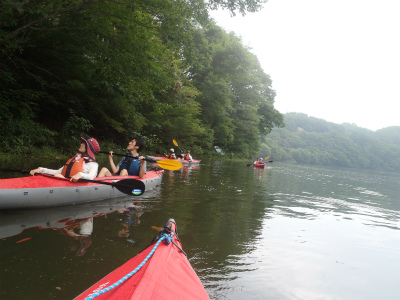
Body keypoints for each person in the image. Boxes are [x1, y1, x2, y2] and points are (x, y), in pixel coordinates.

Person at [30, 137, 100, 182]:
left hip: (73, 185)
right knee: (57, 174)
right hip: (64, 181)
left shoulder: (93, 165)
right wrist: (40, 170)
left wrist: (80, 175)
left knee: (57, 175)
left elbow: (91, 177)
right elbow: (58, 171)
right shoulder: (75, 160)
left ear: (88, 149)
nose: (81, 144)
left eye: (84, 144)